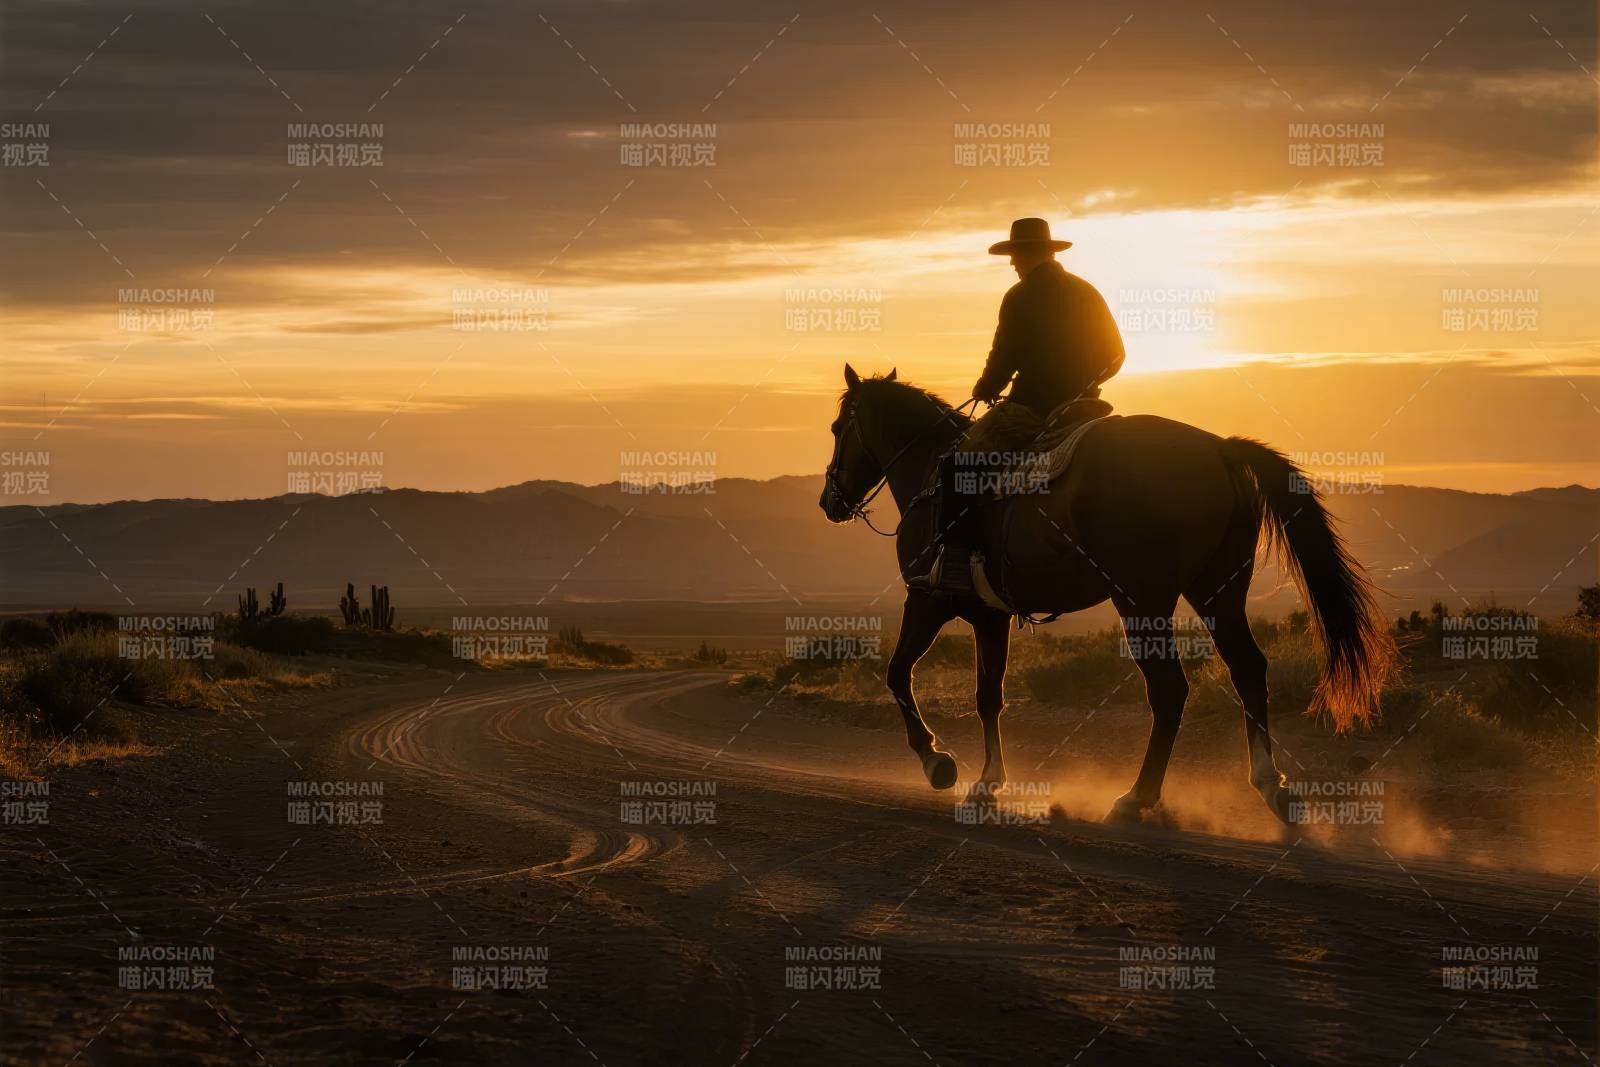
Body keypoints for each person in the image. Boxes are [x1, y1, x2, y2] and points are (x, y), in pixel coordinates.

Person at [912, 217, 1126, 595]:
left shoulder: (1020, 296)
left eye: (1015, 256)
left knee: (960, 464)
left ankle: (958, 565)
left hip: (1032, 408)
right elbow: (1116, 355)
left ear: (1026, 254)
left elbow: (1003, 356)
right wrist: (1085, 386)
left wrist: (986, 386)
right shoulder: (1087, 291)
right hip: (1085, 408)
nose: (1012, 264)